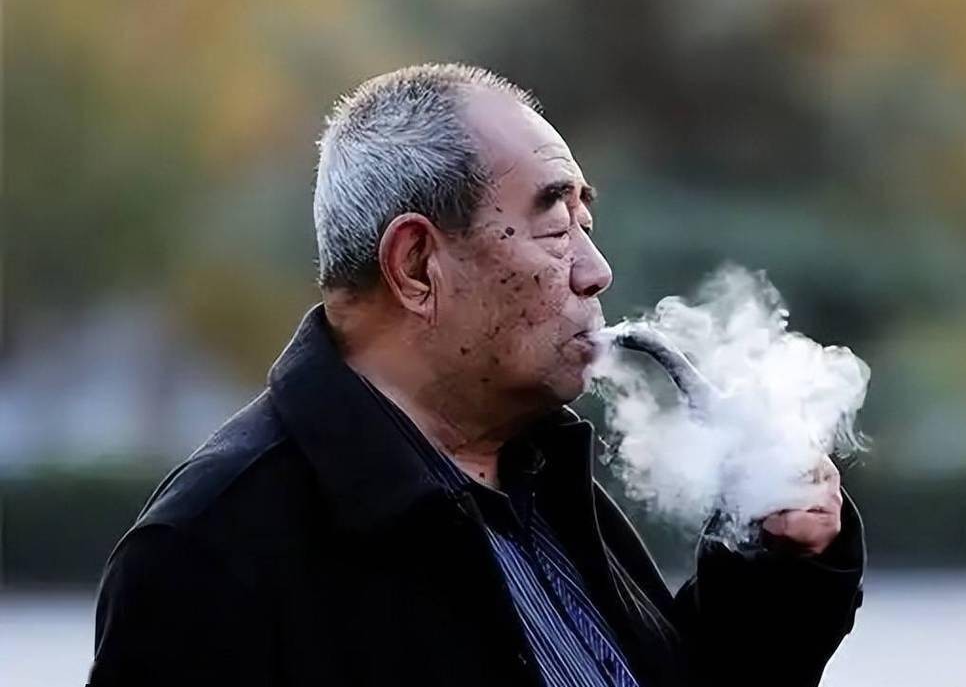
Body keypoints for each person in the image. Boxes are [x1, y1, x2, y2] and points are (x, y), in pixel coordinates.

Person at [88, 63, 864, 687]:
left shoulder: (537, 479)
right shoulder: (210, 552)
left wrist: (775, 566)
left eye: (585, 223)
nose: (596, 270)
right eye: (554, 224)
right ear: (416, 265)